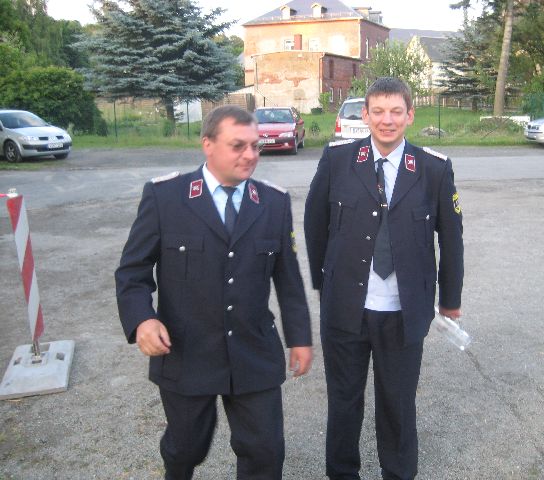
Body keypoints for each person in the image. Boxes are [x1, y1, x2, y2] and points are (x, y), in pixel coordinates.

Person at [115, 105, 313, 480]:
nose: (250, 155)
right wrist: (143, 320)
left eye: (255, 145)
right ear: (208, 144)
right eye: (238, 146)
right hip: (187, 351)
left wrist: (300, 338)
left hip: (253, 350)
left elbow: (288, 280)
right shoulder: (166, 197)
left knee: (265, 451)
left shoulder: (273, 203)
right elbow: (132, 272)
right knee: (186, 448)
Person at [304, 77, 464, 480]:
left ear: (410, 115)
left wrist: (450, 300)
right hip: (346, 310)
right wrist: (326, 283)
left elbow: (451, 239)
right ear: (365, 115)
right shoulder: (338, 159)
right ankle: (343, 473)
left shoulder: (433, 169)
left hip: (403, 312)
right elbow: (314, 223)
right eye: (378, 111)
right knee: (344, 402)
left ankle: (398, 473)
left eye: (396, 111)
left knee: (398, 404)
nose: (387, 120)